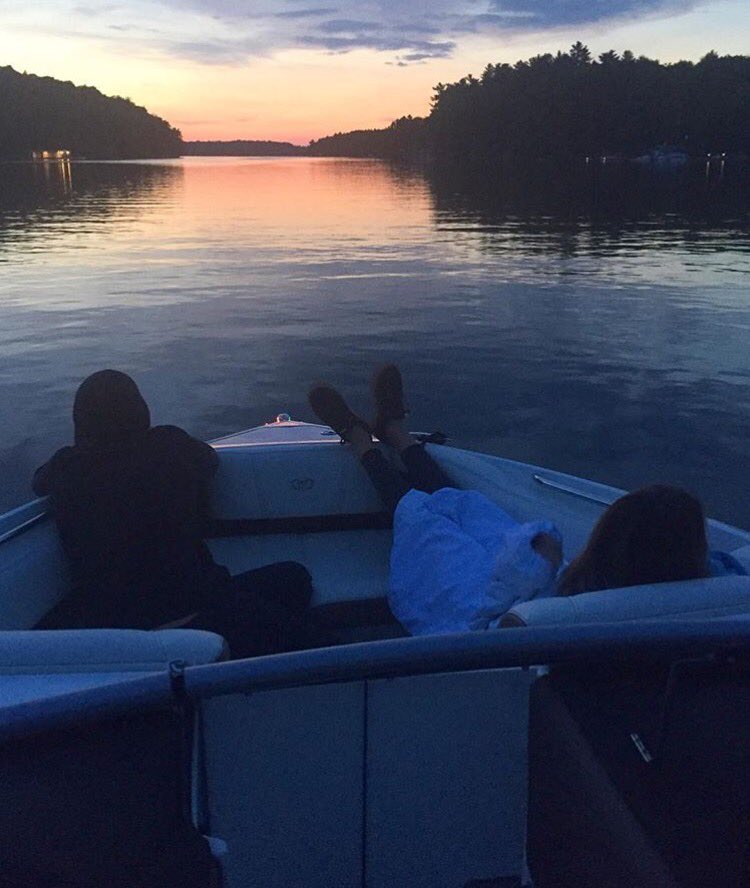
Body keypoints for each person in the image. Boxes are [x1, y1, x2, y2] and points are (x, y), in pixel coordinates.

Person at [308, 365, 744, 636]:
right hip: (527, 581)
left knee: (423, 519)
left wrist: (538, 557)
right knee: (469, 506)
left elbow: (496, 615)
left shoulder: (580, 607)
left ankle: (362, 440)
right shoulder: (718, 593)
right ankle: (395, 433)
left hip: (486, 604)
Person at [33, 369, 319, 658]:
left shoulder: (66, 467)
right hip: (200, 615)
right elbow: (209, 460)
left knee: (292, 580)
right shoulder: (168, 445)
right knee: (299, 591)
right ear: (140, 411)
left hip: (116, 629)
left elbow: (38, 482)